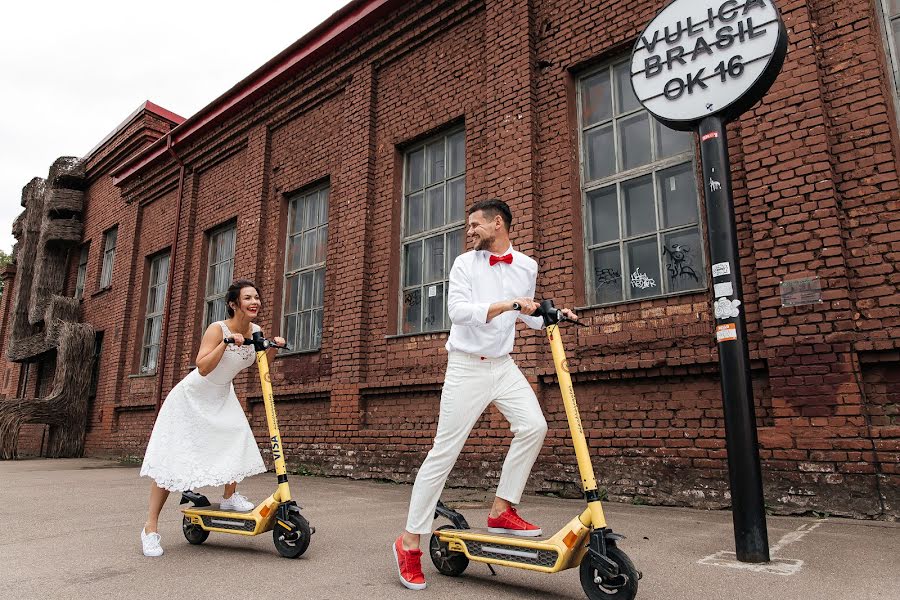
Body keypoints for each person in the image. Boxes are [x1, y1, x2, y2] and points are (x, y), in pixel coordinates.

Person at [392, 199, 577, 590]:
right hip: (465, 366)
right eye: (468, 225)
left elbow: (525, 316)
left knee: (533, 426)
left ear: (498, 224)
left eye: (475, 224)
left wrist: (551, 314)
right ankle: (409, 543)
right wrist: (509, 303)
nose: (470, 230)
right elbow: (458, 312)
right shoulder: (465, 264)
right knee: (444, 451)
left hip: (502, 365)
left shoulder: (526, 265)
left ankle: (502, 509)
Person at [138, 279, 284, 557]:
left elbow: (260, 361)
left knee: (238, 436)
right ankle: (150, 528)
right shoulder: (217, 329)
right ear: (233, 304)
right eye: (248, 298)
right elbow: (202, 367)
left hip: (221, 395)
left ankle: (228, 499)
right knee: (172, 463)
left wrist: (273, 345)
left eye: (257, 297)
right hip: (192, 397)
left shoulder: (255, 330)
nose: (255, 302)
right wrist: (227, 343)